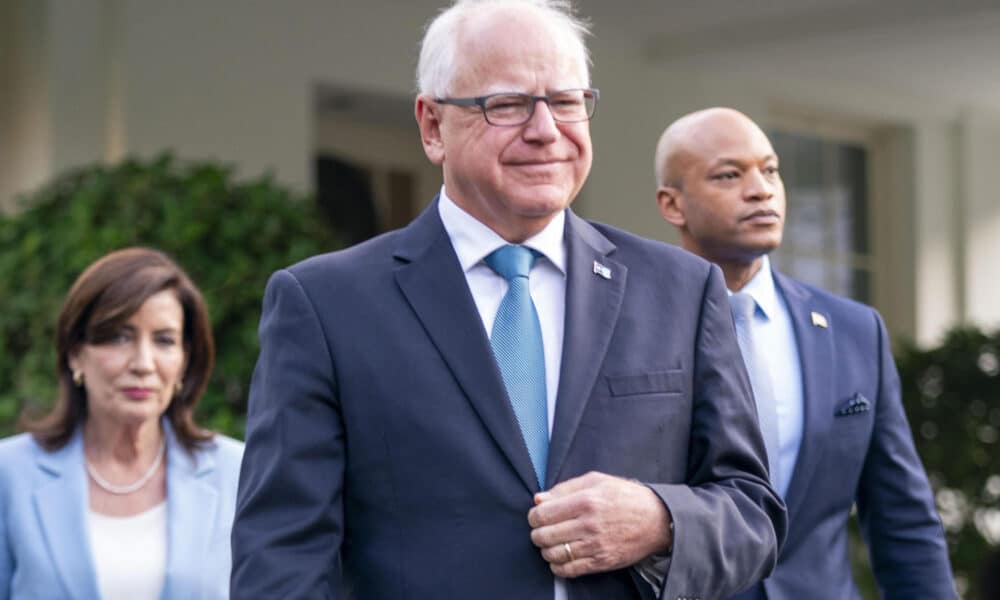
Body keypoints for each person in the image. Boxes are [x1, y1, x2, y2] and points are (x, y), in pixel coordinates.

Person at [231, 2, 785, 599]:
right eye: (508, 103)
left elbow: (753, 515)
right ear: (432, 126)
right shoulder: (325, 305)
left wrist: (658, 518)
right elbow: (282, 556)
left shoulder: (680, 290)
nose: (546, 129)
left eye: (567, 101)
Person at [654, 107, 955, 599]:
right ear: (673, 204)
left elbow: (903, 517)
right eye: (729, 175)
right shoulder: (633, 328)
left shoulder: (855, 331)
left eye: (770, 170)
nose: (761, 189)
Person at [0, 247, 244, 600]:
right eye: (119, 337)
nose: (144, 363)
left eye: (164, 340)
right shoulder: (9, 474)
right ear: (74, 353)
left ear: (185, 360)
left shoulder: (237, 474)